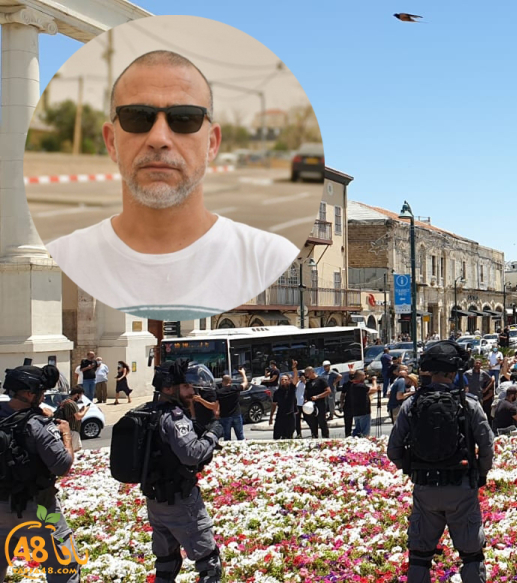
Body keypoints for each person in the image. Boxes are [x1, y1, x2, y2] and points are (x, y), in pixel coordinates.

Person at [45, 50, 299, 321]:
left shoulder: (270, 260)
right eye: (137, 117)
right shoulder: (61, 259)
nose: (159, 138)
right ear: (111, 142)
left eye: (184, 119)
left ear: (212, 143)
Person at [387, 341, 493, 583]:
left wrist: (411, 468)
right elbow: (487, 446)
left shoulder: (412, 404)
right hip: (462, 487)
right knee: (472, 556)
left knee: (419, 557)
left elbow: (393, 449)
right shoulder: (469, 404)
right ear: (454, 372)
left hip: (425, 488)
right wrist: (481, 473)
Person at [143, 359, 222, 582]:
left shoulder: (150, 411)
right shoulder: (174, 417)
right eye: (186, 386)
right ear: (169, 388)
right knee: (209, 563)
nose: (192, 392)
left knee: (166, 563)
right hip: (180, 500)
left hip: (157, 501)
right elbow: (192, 454)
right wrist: (213, 434)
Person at [0, 363, 80, 583]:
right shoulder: (38, 424)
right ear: (29, 393)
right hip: (37, 509)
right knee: (64, 569)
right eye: (41, 392)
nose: (43, 397)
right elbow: (62, 466)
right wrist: (66, 434)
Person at [215, 369, 248, 441]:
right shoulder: (235, 388)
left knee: (227, 437)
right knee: (240, 436)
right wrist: (243, 373)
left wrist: (217, 413)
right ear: (230, 381)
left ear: (222, 382)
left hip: (225, 416)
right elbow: (245, 383)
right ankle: (242, 447)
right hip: (236, 414)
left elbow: (216, 405)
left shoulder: (219, 392)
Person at [346, 371, 379, 438]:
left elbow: (366, 393)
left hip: (356, 412)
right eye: (364, 376)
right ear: (360, 376)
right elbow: (374, 389)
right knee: (365, 433)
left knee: (358, 432)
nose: (365, 377)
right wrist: (374, 380)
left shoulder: (353, 386)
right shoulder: (361, 386)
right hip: (364, 412)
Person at [55, 387, 89, 453]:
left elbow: (73, 414)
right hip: (72, 429)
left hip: (68, 429)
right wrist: (85, 410)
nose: (81, 398)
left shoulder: (65, 401)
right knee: (73, 450)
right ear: (77, 394)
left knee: (76, 448)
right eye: (81, 395)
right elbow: (78, 417)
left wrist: (81, 410)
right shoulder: (72, 403)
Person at [302, 365, 331, 439]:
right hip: (311, 406)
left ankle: (325, 438)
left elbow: (328, 391)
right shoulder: (308, 382)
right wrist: (305, 399)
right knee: (313, 423)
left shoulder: (321, 380)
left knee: (322, 422)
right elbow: (306, 392)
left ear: (312, 372)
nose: (306, 375)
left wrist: (317, 396)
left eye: (307, 373)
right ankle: (314, 437)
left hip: (320, 404)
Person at [269, 367, 298, 440]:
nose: (283, 381)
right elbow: (274, 405)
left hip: (290, 416)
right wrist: (271, 417)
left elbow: (295, 379)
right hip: (280, 416)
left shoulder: (291, 389)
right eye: (282, 380)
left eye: (285, 379)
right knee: (276, 436)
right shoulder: (277, 392)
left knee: (288, 436)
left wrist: (294, 368)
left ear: (289, 380)